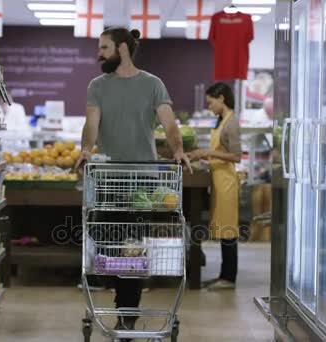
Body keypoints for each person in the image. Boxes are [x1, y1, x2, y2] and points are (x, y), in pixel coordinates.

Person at [75, 27, 190, 336]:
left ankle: (127, 313)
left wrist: (178, 150)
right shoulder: (97, 85)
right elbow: (92, 124)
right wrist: (86, 149)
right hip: (110, 176)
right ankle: (121, 299)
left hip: (143, 177)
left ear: (122, 48)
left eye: (104, 47)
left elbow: (169, 123)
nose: (98, 53)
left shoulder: (153, 84)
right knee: (107, 240)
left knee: (132, 245)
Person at [188, 82, 242, 290]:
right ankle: (223, 275)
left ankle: (229, 278)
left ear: (222, 99)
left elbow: (236, 156)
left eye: (211, 103)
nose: (209, 107)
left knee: (229, 231)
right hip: (218, 180)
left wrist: (207, 153)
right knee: (222, 229)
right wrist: (200, 155)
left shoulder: (232, 123)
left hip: (227, 182)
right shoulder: (221, 121)